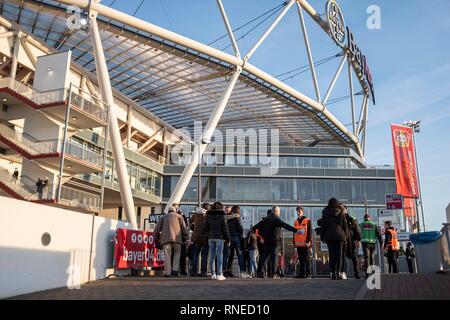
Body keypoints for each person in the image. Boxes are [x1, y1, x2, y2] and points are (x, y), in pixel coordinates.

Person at [252, 206, 298, 279]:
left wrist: (257, 234)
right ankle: (273, 274)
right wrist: (296, 230)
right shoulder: (276, 219)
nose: (279, 213)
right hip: (274, 242)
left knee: (264, 259)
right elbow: (285, 225)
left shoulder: (265, 219)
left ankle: (261, 273)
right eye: (279, 211)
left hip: (266, 242)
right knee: (274, 259)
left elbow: (255, 227)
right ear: (276, 211)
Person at [153, 206, 188, 277]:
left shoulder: (163, 217)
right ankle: (175, 271)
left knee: (167, 256)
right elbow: (184, 229)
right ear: (174, 210)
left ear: (168, 210)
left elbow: (157, 228)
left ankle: (167, 273)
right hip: (177, 240)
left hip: (166, 240)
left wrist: (155, 238)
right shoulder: (179, 217)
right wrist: (185, 238)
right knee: (177, 254)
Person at [318, 198, 347, 280]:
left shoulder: (325, 212)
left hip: (329, 235)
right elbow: (344, 225)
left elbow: (323, 226)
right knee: (339, 255)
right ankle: (339, 272)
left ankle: (332, 273)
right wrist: (346, 237)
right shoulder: (341, 212)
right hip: (340, 236)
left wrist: (322, 237)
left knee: (331, 255)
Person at [203, 201, 230, 281]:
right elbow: (225, 229)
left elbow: (204, 228)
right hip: (220, 238)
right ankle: (219, 274)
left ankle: (213, 273)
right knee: (219, 255)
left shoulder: (208, 217)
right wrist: (228, 239)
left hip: (210, 238)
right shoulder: (222, 217)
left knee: (211, 255)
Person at [223, 206, 248, 278]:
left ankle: (224, 271)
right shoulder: (236, 217)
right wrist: (240, 234)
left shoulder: (226, 218)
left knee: (228, 255)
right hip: (236, 237)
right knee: (239, 254)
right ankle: (242, 272)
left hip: (228, 238)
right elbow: (240, 228)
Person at [341, 205, 362, 279]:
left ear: (346, 210)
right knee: (343, 257)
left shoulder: (352, 218)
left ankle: (357, 273)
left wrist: (358, 240)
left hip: (352, 241)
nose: (342, 211)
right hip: (343, 241)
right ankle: (343, 273)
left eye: (343, 209)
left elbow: (357, 229)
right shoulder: (339, 219)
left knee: (354, 257)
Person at [189, 202, 210, 277]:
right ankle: (203, 272)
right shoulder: (208, 215)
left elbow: (190, 222)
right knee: (204, 256)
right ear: (208, 208)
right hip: (205, 237)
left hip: (196, 237)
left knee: (195, 255)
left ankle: (193, 271)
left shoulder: (196, 214)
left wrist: (193, 228)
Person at [359, 213, 383, 278]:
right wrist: (381, 243)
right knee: (372, 258)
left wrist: (357, 240)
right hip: (372, 243)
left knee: (366, 258)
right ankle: (372, 273)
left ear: (364, 218)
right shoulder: (374, 225)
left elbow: (358, 233)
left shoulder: (361, 225)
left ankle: (367, 274)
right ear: (370, 218)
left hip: (365, 243)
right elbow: (379, 235)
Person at [293, 206, 312, 279]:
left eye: (299, 211)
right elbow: (294, 232)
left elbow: (309, 232)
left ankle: (308, 274)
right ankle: (302, 274)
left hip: (305, 243)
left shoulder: (307, 220)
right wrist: (294, 242)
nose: (298, 212)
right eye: (297, 211)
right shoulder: (295, 222)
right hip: (298, 243)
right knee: (300, 259)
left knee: (306, 259)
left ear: (302, 211)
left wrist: (307, 241)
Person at [173, 203, 189, 276]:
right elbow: (185, 227)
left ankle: (181, 270)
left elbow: (185, 227)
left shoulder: (182, 216)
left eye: (177, 208)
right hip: (178, 238)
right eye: (175, 208)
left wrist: (185, 238)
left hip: (180, 239)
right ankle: (177, 270)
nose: (176, 209)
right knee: (178, 255)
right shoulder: (181, 216)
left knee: (182, 255)